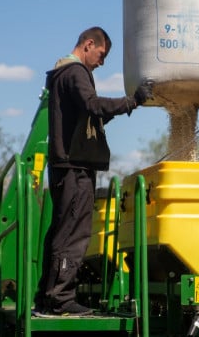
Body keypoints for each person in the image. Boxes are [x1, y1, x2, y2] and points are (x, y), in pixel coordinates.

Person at [35, 26, 152, 316]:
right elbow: (93, 105)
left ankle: (48, 297)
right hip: (75, 168)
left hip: (67, 165)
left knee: (62, 230)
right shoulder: (75, 73)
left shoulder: (63, 74)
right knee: (74, 232)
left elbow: (88, 120)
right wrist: (132, 101)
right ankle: (61, 300)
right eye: (101, 55)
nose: (101, 63)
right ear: (89, 45)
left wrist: (123, 108)